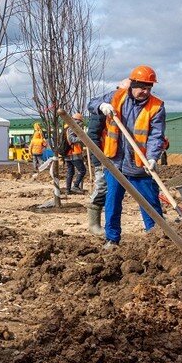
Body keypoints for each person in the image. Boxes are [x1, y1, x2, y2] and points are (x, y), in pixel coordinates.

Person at [87, 65, 166, 249]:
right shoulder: (116, 97)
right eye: (141, 87)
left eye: (148, 88)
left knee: (150, 204)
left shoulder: (156, 107)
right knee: (112, 202)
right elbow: (91, 104)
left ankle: (156, 240)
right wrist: (101, 106)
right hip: (114, 163)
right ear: (132, 84)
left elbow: (156, 135)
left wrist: (153, 157)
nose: (145, 91)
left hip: (139, 165)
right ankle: (112, 239)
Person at [62, 113, 86, 194]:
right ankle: (75, 186)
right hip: (74, 153)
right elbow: (71, 139)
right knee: (82, 170)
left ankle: (68, 190)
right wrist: (82, 138)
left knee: (70, 172)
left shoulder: (66, 127)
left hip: (67, 153)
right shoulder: (73, 127)